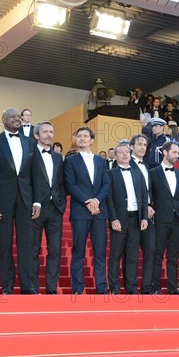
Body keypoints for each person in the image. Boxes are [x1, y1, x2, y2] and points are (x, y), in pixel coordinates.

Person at [0, 107, 39, 294]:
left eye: (19, 117)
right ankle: (7, 285)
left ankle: (27, 286)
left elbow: (35, 175)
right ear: (3, 118)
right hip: (2, 202)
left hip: (25, 200)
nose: (17, 119)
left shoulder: (31, 143)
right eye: (13, 117)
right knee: (5, 244)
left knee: (26, 244)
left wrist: (37, 201)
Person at [64, 126, 110, 294]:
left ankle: (102, 288)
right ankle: (77, 288)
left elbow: (106, 184)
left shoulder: (101, 161)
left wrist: (96, 200)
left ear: (92, 140)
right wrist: (87, 201)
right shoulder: (70, 161)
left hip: (99, 211)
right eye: (79, 136)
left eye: (85, 136)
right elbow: (70, 185)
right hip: (80, 211)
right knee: (78, 251)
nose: (82, 138)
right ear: (76, 140)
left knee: (99, 252)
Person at [106, 145, 148, 294]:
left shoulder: (138, 174)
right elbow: (109, 198)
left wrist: (144, 217)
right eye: (120, 153)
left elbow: (144, 196)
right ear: (115, 156)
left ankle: (131, 287)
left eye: (126, 152)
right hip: (119, 219)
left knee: (132, 255)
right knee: (115, 254)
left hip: (135, 219)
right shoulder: (111, 174)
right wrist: (113, 219)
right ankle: (115, 287)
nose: (124, 154)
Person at [31, 122, 67, 294]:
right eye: (45, 132)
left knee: (55, 250)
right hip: (35, 208)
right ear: (37, 135)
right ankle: (33, 287)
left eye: (51, 132)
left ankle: (51, 288)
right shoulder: (29, 154)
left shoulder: (58, 157)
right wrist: (33, 202)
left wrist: (61, 204)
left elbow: (60, 182)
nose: (49, 135)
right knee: (33, 249)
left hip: (55, 209)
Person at [128, 134, 156, 294]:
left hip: (149, 215)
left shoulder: (146, 166)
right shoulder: (126, 164)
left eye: (145, 145)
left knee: (150, 250)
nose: (142, 147)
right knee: (131, 252)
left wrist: (150, 206)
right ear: (131, 146)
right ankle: (131, 287)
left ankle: (147, 286)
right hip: (133, 215)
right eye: (139, 144)